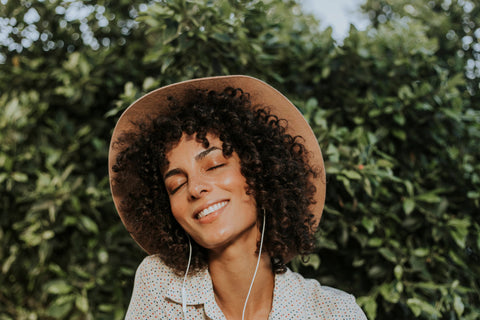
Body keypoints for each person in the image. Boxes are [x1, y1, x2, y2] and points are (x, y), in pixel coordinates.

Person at [108, 75, 367, 319]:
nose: (195, 188)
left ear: (261, 171)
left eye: (214, 165)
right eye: (176, 184)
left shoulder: (334, 312)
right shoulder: (160, 285)